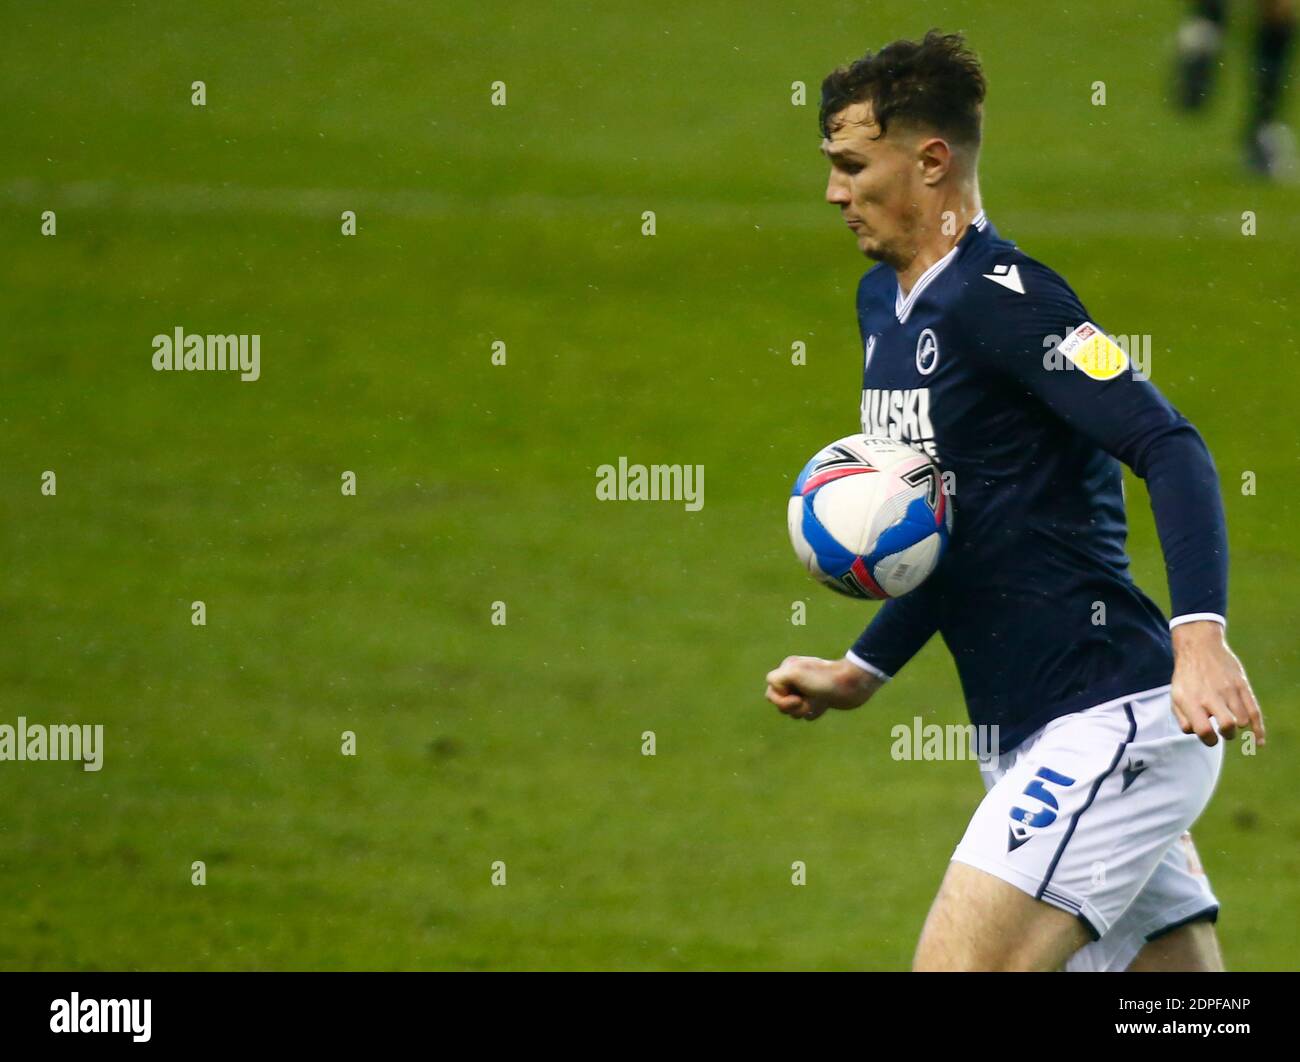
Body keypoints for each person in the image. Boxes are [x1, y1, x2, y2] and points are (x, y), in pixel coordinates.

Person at [764, 31, 1265, 972]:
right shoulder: (886, 306)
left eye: (850, 164)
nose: (833, 191)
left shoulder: (1012, 302)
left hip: (1111, 724)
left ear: (930, 160)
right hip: (1033, 737)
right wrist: (862, 671)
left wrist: (1200, 637)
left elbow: (1170, 443)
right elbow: (945, 525)